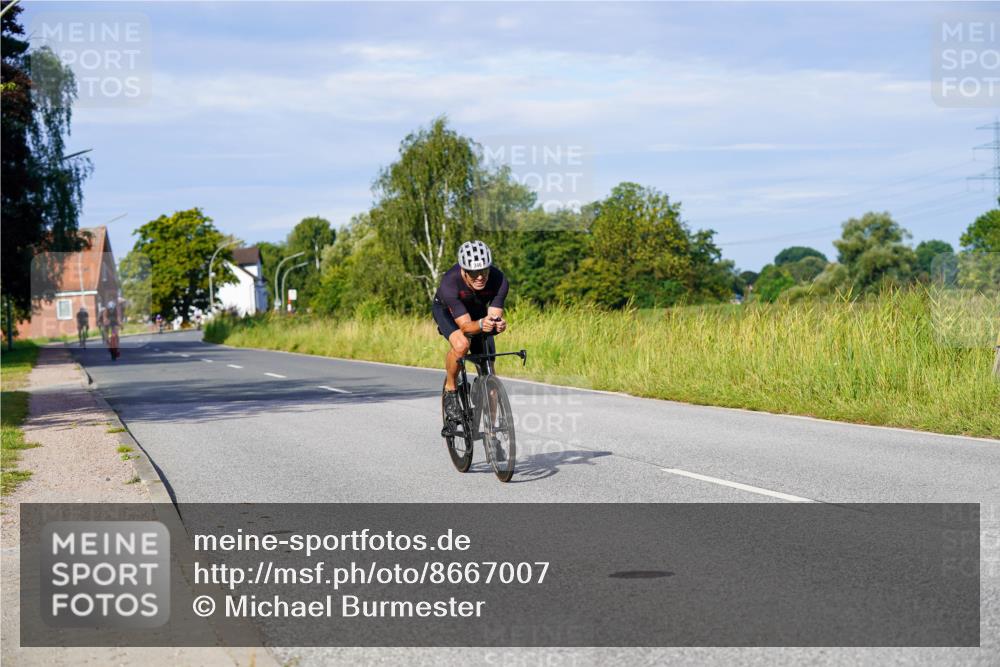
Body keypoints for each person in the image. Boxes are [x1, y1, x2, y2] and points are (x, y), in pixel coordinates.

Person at [432, 240, 509, 423]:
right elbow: (466, 327)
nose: (480, 277)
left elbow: (494, 315)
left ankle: (492, 432)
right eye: (473, 273)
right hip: (449, 313)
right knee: (462, 344)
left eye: (483, 271)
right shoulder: (450, 283)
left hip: (478, 313)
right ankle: (451, 390)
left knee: (489, 370)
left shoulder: (500, 280)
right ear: (463, 270)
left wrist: (497, 324)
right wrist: (483, 323)